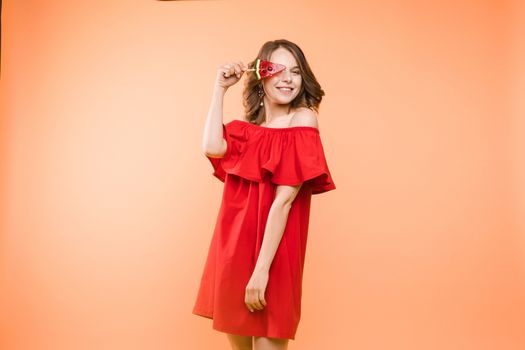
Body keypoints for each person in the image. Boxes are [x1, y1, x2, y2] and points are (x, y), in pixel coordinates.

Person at [192, 39, 336, 350]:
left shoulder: (303, 119)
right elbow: (211, 146)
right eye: (278, 70)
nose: (288, 79)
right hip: (234, 251)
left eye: (296, 72)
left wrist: (261, 272)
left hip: (273, 258)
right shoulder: (248, 131)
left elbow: (284, 200)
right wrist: (219, 88)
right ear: (260, 76)